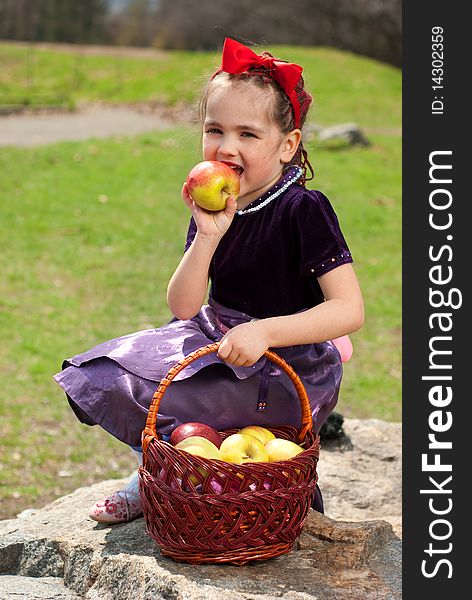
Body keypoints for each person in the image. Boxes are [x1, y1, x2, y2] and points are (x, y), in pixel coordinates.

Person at [54, 38, 364, 524]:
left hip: (285, 365)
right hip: (214, 341)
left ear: (288, 145)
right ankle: (168, 470)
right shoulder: (216, 203)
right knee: (107, 375)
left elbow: (349, 310)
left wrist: (265, 331)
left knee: (174, 397)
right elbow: (182, 305)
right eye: (215, 130)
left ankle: (248, 477)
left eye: (248, 134)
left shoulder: (303, 209)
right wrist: (207, 235)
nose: (227, 147)